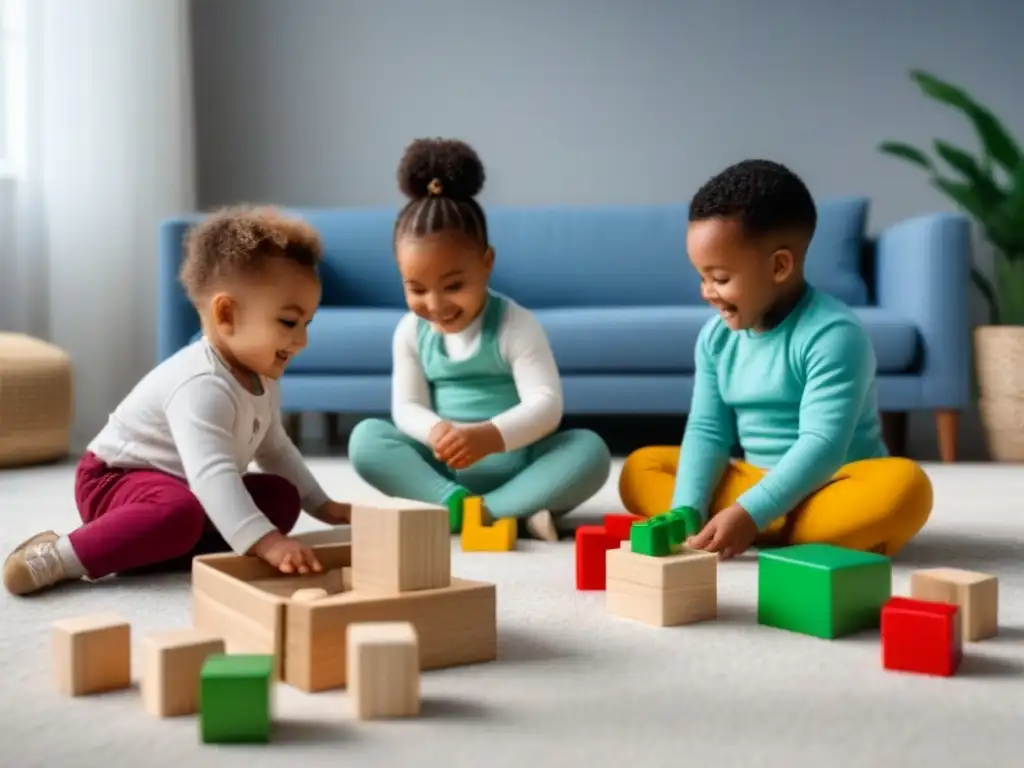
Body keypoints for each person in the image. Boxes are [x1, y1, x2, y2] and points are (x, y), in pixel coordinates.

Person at [3, 206, 351, 596]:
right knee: (182, 512)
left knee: (281, 500)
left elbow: (275, 450)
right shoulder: (202, 384)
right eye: (288, 322)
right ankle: (59, 556)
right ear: (227, 314)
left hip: (181, 490)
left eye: (307, 324)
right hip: (114, 482)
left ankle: (140, 549)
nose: (301, 341)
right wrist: (266, 542)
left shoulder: (261, 377)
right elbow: (212, 473)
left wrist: (323, 505)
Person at [619, 159, 932, 559]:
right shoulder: (715, 338)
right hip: (752, 483)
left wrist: (751, 512)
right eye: (701, 277)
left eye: (720, 278)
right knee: (640, 468)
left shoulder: (833, 335)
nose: (707, 293)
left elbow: (822, 445)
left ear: (779, 266)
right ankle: (768, 530)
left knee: (905, 489)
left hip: (831, 483)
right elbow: (707, 431)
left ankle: (755, 526)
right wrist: (688, 509)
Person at [348, 137, 611, 541]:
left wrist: (486, 437)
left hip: (518, 460)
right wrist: (438, 432)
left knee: (589, 452)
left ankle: (488, 510)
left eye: (453, 285)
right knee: (366, 440)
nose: (435, 304)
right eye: (417, 289)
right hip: (444, 467)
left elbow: (546, 405)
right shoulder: (410, 331)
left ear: (486, 264)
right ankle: (472, 506)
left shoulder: (515, 325)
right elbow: (407, 406)